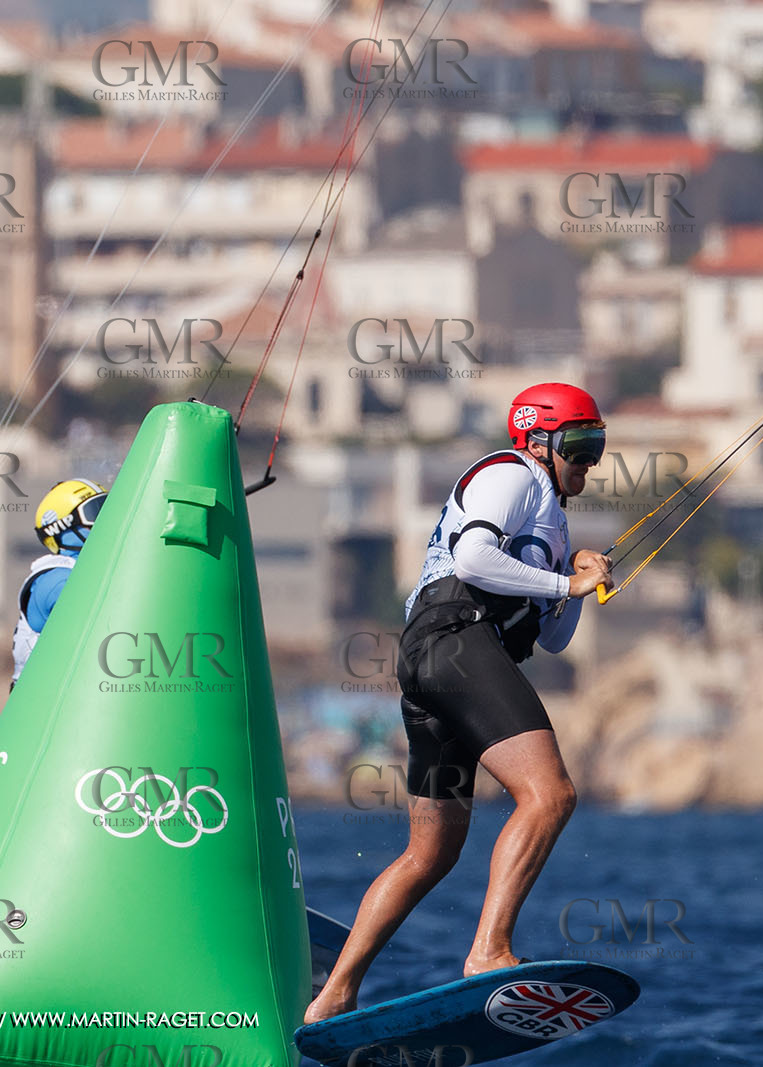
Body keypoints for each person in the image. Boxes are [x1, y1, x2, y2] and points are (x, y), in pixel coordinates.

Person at [304, 383, 614, 1024]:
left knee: (431, 852)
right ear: (539, 441)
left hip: (435, 665)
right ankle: (488, 953)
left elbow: (552, 640)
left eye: (598, 446)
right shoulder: (513, 474)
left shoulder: (551, 520)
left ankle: (332, 997)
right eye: (581, 445)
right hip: (455, 642)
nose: (590, 461)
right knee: (550, 795)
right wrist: (564, 579)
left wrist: (579, 581)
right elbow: (472, 556)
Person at [12, 478, 107, 687]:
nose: (107, 519)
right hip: (42, 702)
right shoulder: (57, 578)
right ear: (63, 526)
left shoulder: (88, 571)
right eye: (95, 512)